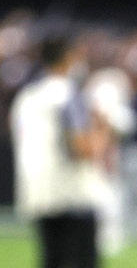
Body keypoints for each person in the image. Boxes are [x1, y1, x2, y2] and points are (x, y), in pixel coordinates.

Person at [9, 33, 102, 268]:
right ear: (69, 57)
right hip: (72, 194)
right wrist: (105, 131)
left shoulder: (26, 96)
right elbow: (83, 149)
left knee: (51, 259)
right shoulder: (69, 94)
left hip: (36, 191)